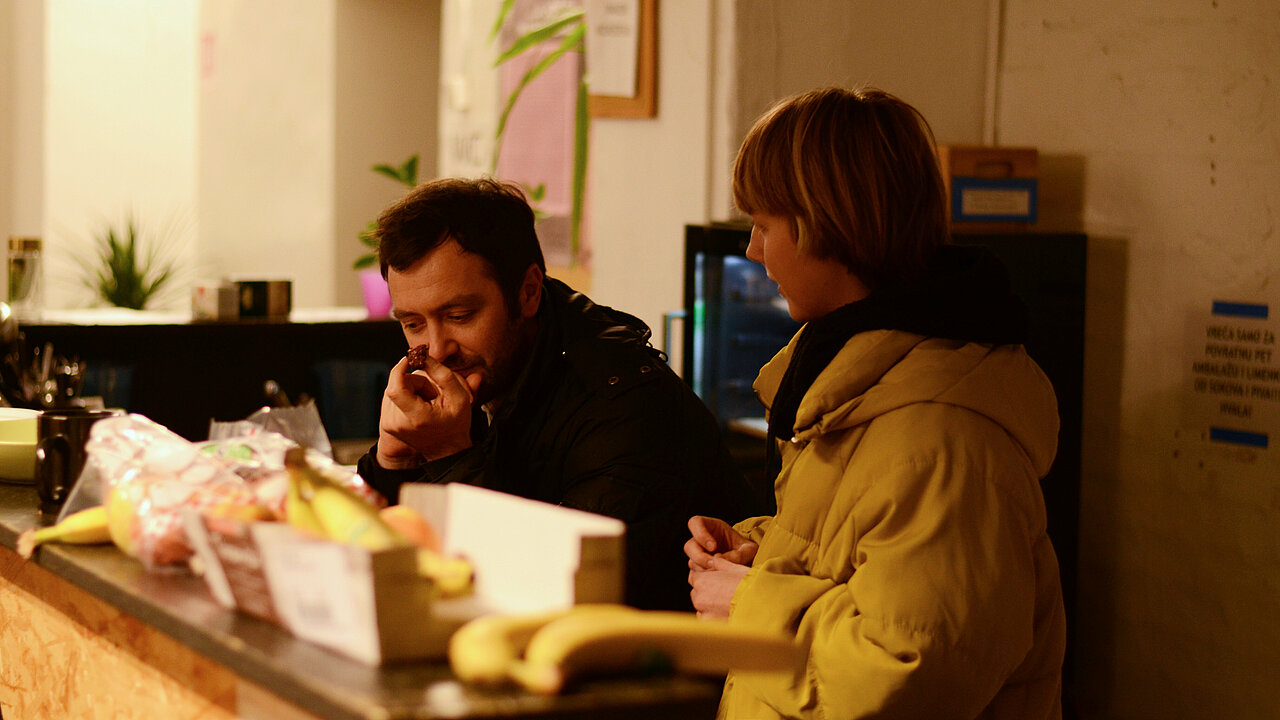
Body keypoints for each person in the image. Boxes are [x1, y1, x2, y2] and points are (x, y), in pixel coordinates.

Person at [684, 87, 1066, 719]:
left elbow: (910, 671)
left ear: (825, 222)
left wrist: (750, 603)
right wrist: (759, 550)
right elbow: (863, 557)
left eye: (763, 225)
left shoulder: (944, 441)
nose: (752, 251)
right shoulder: (863, 383)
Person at [356, 176, 762, 611]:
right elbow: (386, 577)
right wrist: (394, 461)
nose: (437, 348)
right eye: (413, 323)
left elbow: (561, 594)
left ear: (528, 291)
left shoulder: (624, 404)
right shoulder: (479, 379)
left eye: (459, 314)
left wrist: (450, 458)